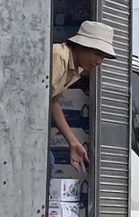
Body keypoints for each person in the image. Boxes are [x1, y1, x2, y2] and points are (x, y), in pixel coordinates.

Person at [49, 20, 117, 171]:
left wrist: (73, 142)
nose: (99, 61)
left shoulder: (74, 70)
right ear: (81, 45)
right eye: (97, 53)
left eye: (104, 56)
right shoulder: (59, 58)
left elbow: (52, 102)